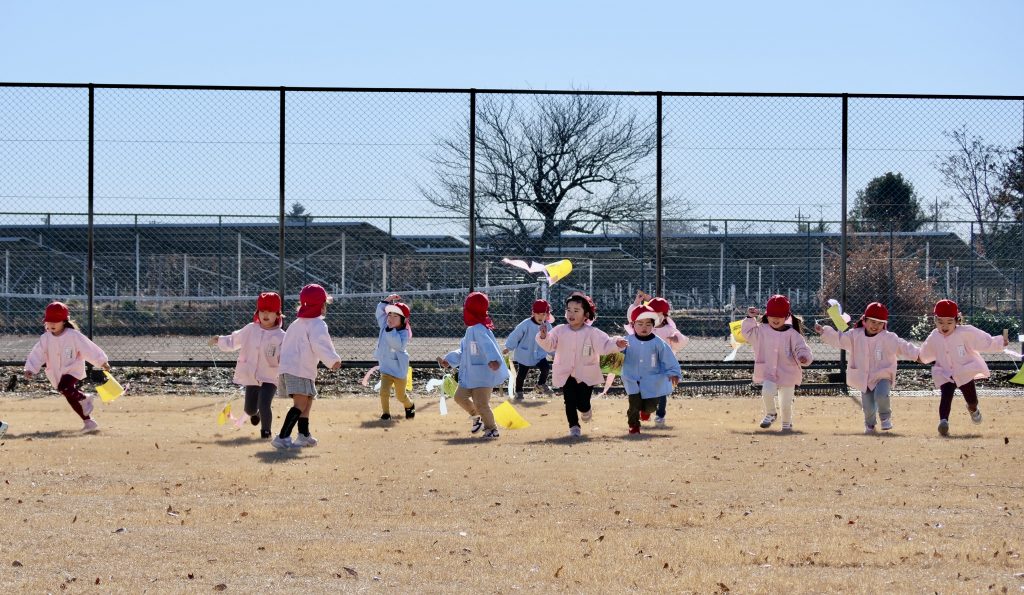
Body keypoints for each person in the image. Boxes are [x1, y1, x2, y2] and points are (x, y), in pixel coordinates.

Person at [815, 302, 919, 434]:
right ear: (864, 320)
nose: (875, 326)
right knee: (868, 406)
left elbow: (903, 346)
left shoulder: (888, 337)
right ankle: (870, 425)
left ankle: (885, 418)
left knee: (881, 395)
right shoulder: (855, 335)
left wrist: (918, 355)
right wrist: (824, 332)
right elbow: (839, 339)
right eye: (873, 322)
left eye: (880, 323)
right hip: (864, 377)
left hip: (883, 375)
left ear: (884, 324)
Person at [536, 292, 627, 437]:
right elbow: (549, 345)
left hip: (586, 373)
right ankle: (574, 427)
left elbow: (605, 345)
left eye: (576, 310)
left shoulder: (592, 332)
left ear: (586, 315)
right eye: (568, 310)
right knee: (569, 401)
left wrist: (617, 343)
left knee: (583, 403)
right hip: (566, 372)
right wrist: (543, 336)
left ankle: (586, 410)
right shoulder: (559, 330)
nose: (571, 314)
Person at [918, 299, 1007, 436]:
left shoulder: (965, 332)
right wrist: (919, 357)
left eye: (949, 322)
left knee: (972, 399)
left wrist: (1000, 342)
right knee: (946, 395)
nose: (944, 326)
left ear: (956, 320)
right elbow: (925, 352)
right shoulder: (934, 336)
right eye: (940, 322)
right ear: (935, 320)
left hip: (964, 371)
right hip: (945, 373)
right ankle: (943, 421)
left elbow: (984, 340)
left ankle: (973, 408)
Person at [272, 284, 342, 449]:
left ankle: (303, 435)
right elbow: (320, 345)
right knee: (301, 403)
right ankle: (282, 437)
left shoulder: (297, 323)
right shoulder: (317, 324)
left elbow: (286, 344)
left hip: (293, 368)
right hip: (300, 370)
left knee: (307, 400)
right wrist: (333, 360)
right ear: (322, 305)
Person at [24, 301, 110, 433]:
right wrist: (30, 368)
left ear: (64, 321)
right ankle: (88, 421)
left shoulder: (73, 335)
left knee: (64, 387)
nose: (51, 324)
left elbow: (88, 348)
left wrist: (102, 361)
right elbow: (37, 354)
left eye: (55, 321)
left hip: (73, 369)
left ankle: (85, 398)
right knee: (69, 396)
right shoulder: (45, 338)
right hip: (57, 372)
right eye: (49, 321)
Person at [209, 292, 286, 439]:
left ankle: (266, 432)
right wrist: (220, 340)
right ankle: (256, 414)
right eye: (262, 311)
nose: (265, 315)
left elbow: (286, 356)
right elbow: (234, 340)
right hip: (251, 376)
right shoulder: (251, 329)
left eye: (270, 311)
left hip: (270, 377)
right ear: (257, 313)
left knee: (264, 403)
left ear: (277, 314)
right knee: (250, 409)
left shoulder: (281, 336)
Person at [438, 292, 508, 439]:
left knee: (482, 403)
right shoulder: (471, 330)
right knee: (459, 397)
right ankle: (476, 416)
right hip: (470, 375)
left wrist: (494, 360)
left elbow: (488, 346)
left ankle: (492, 429)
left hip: (483, 375)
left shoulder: (479, 329)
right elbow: (464, 350)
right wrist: (449, 360)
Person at [742, 295, 813, 433]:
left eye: (779, 316)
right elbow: (747, 333)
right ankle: (771, 413)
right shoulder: (762, 330)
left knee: (785, 403)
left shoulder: (793, 334)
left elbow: (801, 348)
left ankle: (786, 424)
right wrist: (750, 318)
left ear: (786, 317)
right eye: (772, 316)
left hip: (788, 373)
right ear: (767, 315)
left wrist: (803, 357)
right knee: (767, 392)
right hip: (769, 371)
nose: (775, 319)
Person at [626, 291, 689, 425]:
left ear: (664, 315)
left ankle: (660, 414)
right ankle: (645, 410)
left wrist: (677, 338)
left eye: (658, 314)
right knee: (643, 389)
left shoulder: (669, 329)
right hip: (646, 366)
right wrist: (637, 302)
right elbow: (633, 316)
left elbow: (682, 341)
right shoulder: (647, 326)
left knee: (661, 391)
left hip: (662, 367)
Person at [621, 305, 681, 434]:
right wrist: (616, 348)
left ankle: (646, 411)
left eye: (648, 324)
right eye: (640, 324)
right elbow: (615, 353)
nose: (644, 327)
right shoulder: (627, 341)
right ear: (633, 325)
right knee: (634, 403)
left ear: (653, 326)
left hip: (652, 380)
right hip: (632, 378)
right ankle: (633, 426)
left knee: (651, 406)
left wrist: (674, 372)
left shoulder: (658, 343)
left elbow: (668, 358)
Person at [503, 299, 554, 400]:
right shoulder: (526, 324)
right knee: (522, 374)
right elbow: (515, 335)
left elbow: (551, 341)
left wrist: (553, 353)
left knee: (546, 368)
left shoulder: (547, 326)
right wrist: (508, 347)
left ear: (547, 315)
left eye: (543, 314)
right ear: (533, 313)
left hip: (539, 354)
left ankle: (540, 384)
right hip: (525, 354)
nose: (541, 316)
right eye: (538, 314)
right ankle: (518, 391)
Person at [375, 294, 415, 421]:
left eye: (395, 316)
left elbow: (397, 345)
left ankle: (410, 405)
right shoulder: (385, 325)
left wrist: (390, 330)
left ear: (403, 320)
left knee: (400, 396)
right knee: (383, 392)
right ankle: (386, 414)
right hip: (386, 368)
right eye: (389, 315)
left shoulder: (403, 334)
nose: (390, 318)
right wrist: (387, 300)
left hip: (399, 371)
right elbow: (379, 313)